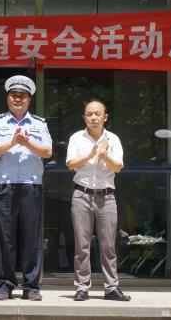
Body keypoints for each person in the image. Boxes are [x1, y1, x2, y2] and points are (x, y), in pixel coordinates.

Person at [0, 75, 52, 301]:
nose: (18, 99)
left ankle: (31, 285)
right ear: (7, 99)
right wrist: (12, 142)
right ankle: (5, 284)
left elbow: (47, 152)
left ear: (29, 100)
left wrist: (27, 142)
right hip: (5, 185)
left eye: (22, 96)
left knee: (31, 237)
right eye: (14, 95)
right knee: (6, 237)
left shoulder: (39, 124)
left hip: (31, 185)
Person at [65, 99, 130, 302]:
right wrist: (90, 154)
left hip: (106, 196)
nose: (93, 117)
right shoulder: (76, 138)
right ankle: (81, 287)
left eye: (97, 114)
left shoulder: (113, 139)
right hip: (82, 195)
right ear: (84, 117)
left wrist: (104, 156)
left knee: (108, 245)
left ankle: (111, 288)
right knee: (81, 245)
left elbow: (118, 167)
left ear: (105, 117)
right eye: (89, 114)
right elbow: (71, 164)